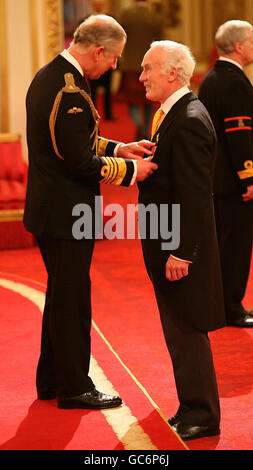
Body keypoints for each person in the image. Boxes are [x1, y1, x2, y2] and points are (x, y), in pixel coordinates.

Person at [24, 14, 157, 410]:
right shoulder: (67, 89)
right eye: (114, 58)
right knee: (73, 301)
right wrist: (134, 171)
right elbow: (79, 161)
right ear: (99, 50)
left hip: (55, 209)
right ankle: (75, 386)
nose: (115, 66)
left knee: (63, 296)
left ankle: (51, 380)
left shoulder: (56, 75)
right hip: (65, 214)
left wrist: (119, 149)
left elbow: (76, 141)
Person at [138, 41, 226, 441]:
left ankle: (202, 414)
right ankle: (191, 404)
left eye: (147, 69)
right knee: (178, 330)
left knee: (187, 329)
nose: (141, 77)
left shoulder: (188, 117)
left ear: (172, 72)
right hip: (166, 239)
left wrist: (182, 251)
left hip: (178, 246)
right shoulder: (171, 114)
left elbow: (193, 194)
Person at [199, 20, 253, 328]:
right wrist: (249, 177)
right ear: (239, 46)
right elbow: (239, 133)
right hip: (234, 182)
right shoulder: (233, 80)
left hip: (218, 178)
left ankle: (222, 305)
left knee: (224, 244)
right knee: (236, 246)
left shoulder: (213, 77)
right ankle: (232, 307)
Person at [119, 0, 163, 139]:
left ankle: (138, 123)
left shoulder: (126, 15)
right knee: (149, 99)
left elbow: (119, 39)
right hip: (150, 65)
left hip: (130, 65)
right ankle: (145, 129)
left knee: (131, 99)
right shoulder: (155, 17)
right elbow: (161, 43)